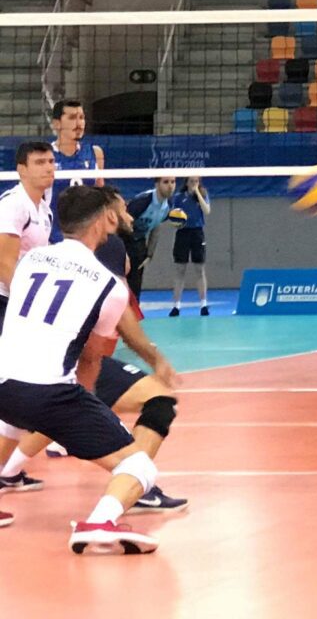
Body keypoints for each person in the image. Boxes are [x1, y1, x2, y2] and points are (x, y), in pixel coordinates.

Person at [0, 187, 187, 515]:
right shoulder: (107, 276)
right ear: (103, 220)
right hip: (52, 389)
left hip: (5, 378)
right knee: (140, 465)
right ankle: (101, 522)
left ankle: (10, 471)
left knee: (16, 415)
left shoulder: (30, 260)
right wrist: (86, 403)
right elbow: (92, 356)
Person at [0, 141, 57, 320]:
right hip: (6, 298)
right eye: (40, 162)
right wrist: (29, 303)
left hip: (21, 296)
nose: (48, 168)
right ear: (22, 170)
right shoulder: (14, 204)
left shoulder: (45, 210)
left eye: (51, 161)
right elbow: (3, 263)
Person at [48, 99, 105, 242]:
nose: (79, 123)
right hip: (54, 238)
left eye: (81, 117)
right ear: (57, 124)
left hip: (88, 239)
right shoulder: (46, 156)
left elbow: (100, 193)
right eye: (72, 118)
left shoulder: (95, 153)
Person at [124, 176, 178, 300]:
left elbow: (156, 226)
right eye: (166, 182)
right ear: (157, 184)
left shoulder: (169, 205)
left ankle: (134, 310)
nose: (170, 186)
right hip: (124, 240)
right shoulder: (142, 201)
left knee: (135, 286)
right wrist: (121, 251)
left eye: (173, 182)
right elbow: (122, 223)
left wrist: (149, 253)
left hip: (139, 243)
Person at [167, 176, 211, 317]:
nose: (194, 184)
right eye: (191, 181)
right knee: (180, 270)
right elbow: (172, 215)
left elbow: (207, 211)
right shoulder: (178, 197)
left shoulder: (203, 195)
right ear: (186, 182)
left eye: (196, 181)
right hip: (182, 233)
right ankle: (176, 306)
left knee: (199, 269)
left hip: (197, 233)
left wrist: (197, 193)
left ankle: (203, 304)